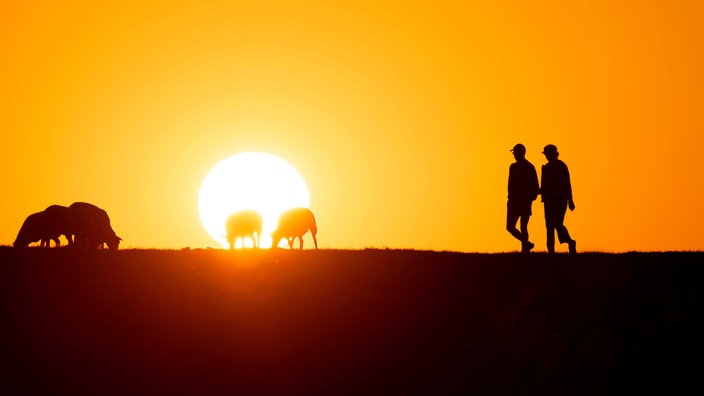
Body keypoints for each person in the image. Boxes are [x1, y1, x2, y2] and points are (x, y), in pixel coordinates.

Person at [540, 144, 577, 254]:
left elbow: (567, 184)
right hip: (548, 201)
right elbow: (544, 187)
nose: (546, 156)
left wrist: (570, 200)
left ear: (553, 153)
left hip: (560, 200)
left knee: (557, 223)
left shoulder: (561, 166)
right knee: (549, 226)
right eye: (545, 154)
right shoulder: (546, 167)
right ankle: (551, 250)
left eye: (547, 153)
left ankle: (570, 242)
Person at [506, 143, 539, 253]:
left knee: (523, 226)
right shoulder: (514, 167)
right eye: (514, 153)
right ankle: (527, 244)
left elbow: (535, 185)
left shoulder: (529, 167)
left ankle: (525, 248)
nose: (514, 155)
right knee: (511, 227)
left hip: (523, 201)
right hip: (515, 201)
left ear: (522, 153)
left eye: (516, 152)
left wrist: (530, 197)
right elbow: (510, 185)